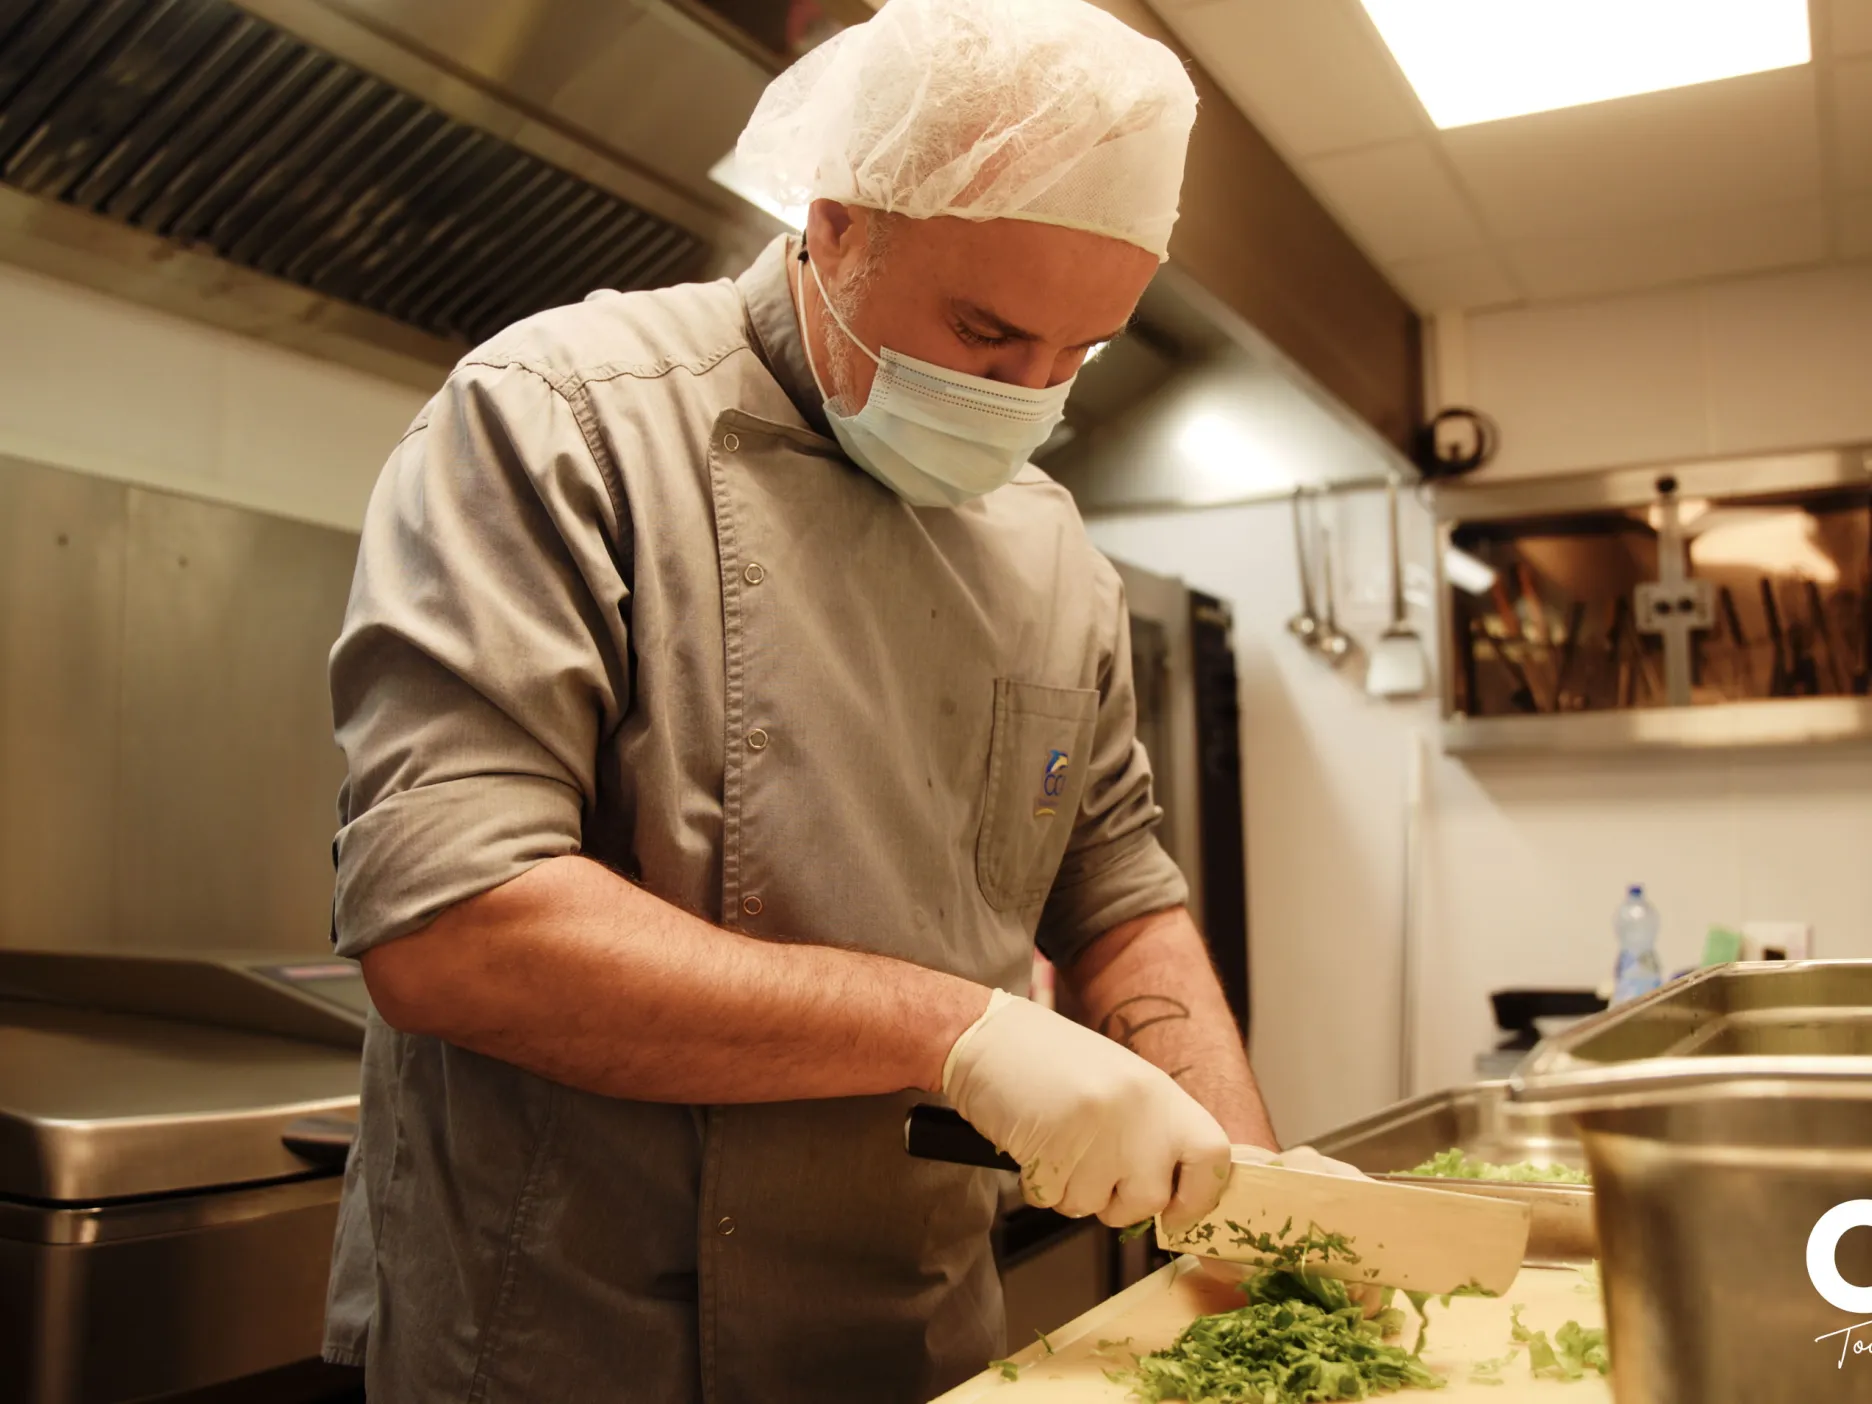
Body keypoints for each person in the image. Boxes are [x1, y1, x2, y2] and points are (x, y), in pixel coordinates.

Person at [320, 0, 1351, 1397]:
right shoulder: (561, 420)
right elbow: (454, 928)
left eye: (1080, 355)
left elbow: (1120, 899)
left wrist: (1252, 1205)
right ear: (840, 223)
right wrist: (957, 1031)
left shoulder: (1051, 550)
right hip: (568, 1347)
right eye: (988, 332)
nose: (1028, 395)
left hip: (914, 1351)